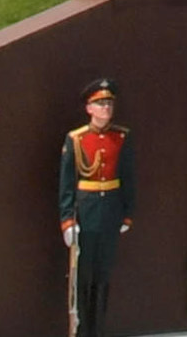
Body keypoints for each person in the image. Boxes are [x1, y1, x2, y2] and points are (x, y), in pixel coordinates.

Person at [57, 83, 128, 337]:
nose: (106, 108)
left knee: (103, 275)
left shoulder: (120, 138)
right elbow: (67, 184)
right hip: (85, 214)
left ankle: (98, 329)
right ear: (89, 109)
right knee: (83, 277)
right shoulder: (76, 139)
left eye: (109, 103)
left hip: (110, 213)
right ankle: (84, 330)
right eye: (100, 104)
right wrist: (67, 220)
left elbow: (128, 177)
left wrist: (126, 214)